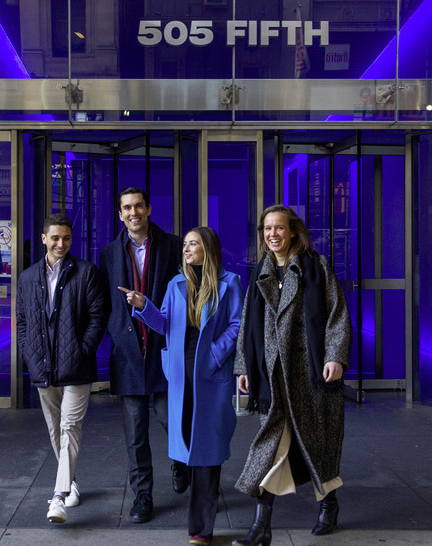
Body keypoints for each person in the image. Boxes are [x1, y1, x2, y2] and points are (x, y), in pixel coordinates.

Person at [232, 205, 352, 545]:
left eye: (279, 228)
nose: (273, 234)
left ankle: (328, 502)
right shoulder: (260, 273)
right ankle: (262, 526)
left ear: (293, 231)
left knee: (316, 445)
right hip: (273, 377)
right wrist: (244, 367)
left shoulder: (316, 267)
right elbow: (246, 326)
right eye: (267, 229)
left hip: (310, 374)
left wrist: (336, 357)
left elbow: (337, 314)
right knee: (272, 447)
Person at [121, 227, 242, 546]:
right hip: (180, 371)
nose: (186, 249)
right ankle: (192, 478)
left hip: (211, 373)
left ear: (208, 249)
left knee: (208, 447)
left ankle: (201, 529)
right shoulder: (176, 284)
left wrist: (217, 353)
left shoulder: (229, 284)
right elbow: (163, 323)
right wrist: (142, 304)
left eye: (193, 244)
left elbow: (237, 324)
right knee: (187, 437)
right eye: (185, 244)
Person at [99, 186, 188, 523]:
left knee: (172, 420)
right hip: (128, 353)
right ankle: (143, 497)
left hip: (166, 349)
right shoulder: (109, 253)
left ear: (149, 209)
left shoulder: (174, 246)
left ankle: (181, 462)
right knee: (135, 433)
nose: (133, 212)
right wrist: (114, 332)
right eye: (126, 208)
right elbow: (106, 301)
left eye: (138, 206)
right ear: (120, 215)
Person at [16, 213, 108, 524]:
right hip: (42, 365)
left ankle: (58, 498)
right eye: (55, 238)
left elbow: (98, 317)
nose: (61, 243)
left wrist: (82, 351)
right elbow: (23, 323)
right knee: (55, 429)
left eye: (66, 238)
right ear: (44, 239)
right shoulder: (28, 277)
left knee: (70, 426)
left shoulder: (86, 272)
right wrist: (29, 354)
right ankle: (70, 484)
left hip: (77, 366)